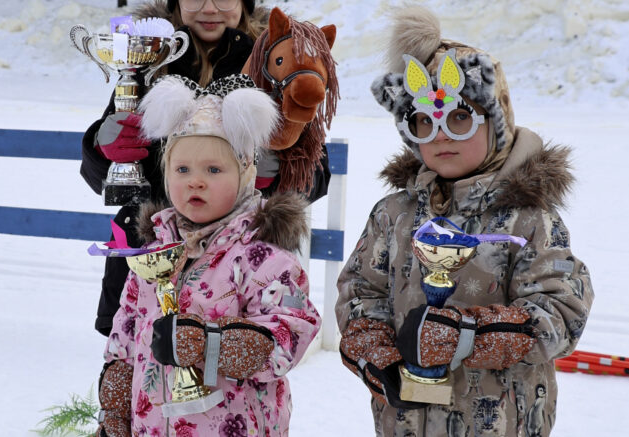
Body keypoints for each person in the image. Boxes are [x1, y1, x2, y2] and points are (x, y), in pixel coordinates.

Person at [335, 6, 593, 437]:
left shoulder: (527, 217)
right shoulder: (393, 215)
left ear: (496, 121)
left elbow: (561, 311)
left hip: (501, 423)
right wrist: (377, 357)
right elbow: (361, 294)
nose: (441, 134)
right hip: (406, 422)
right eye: (424, 122)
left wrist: (465, 336)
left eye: (459, 118)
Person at [80, 0, 331, 337]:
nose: (209, 8)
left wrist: (277, 177)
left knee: (231, 377)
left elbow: (316, 176)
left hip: (240, 276)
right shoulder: (146, 58)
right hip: (146, 269)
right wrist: (102, 149)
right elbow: (100, 180)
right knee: (136, 369)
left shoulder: (277, 61)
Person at [96, 74, 322, 437]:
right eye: (182, 169)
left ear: (246, 173)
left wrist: (207, 343)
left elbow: (289, 334)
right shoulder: (155, 252)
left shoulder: (263, 257)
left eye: (213, 170)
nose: (194, 181)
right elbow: (125, 333)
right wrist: (115, 408)